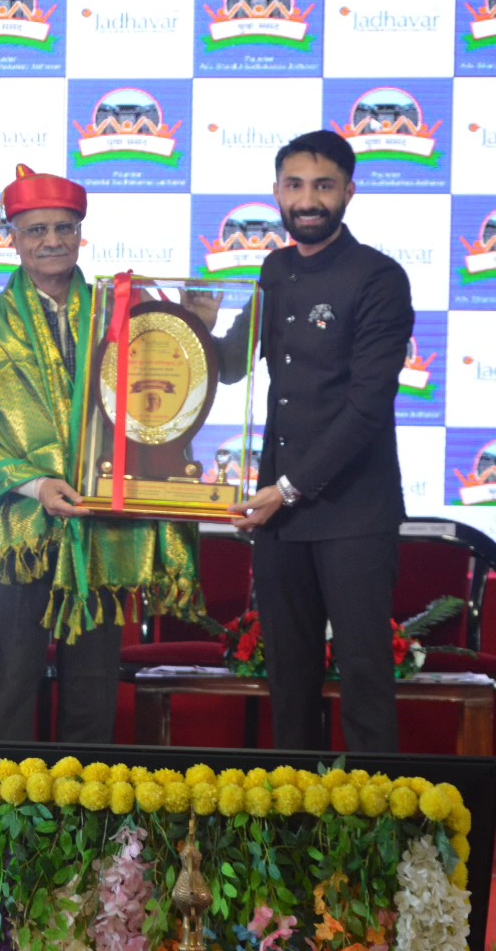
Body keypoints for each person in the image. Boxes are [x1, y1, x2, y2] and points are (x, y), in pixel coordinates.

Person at [0, 165, 204, 745]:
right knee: (12, 689)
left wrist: (197, 329)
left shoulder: (121, 313)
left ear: (80, 234)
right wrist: (37, 485)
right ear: (14, 239)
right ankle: (5, 806)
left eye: (63, 228)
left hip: (101, 524)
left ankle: (85, 803)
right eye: (36, 230)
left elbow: (161, 405)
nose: (52, 241)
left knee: (93, 690)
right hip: (20, 531)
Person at [227, 130, 412, 753]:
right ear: (277, 191)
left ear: (349, 192)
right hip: (280, 518)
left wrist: (286, 488)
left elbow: (366, 408)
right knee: (289, 680)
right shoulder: (274, 270)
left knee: (364, 677)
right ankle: (295, 810)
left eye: (323, 186)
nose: (308, 200)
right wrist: (175, 321)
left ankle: (377, 816)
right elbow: (229, 363)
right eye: (295, 185)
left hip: (353, 512)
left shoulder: (379, 278)